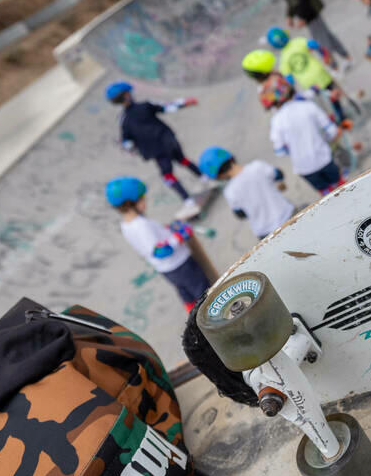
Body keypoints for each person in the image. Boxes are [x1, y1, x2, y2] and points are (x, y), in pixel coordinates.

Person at [105, 177, 211, 310]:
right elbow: (160, 251)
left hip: (166, 270)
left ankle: (195, 322)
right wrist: (179, 236)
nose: (145, 201)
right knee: (203, 292)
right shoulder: (141, 225)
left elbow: (149, 242)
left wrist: (168, 229)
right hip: (180, 264)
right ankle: (215, 318)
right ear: (130, 203)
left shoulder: (126, 225)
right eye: (142, 198)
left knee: (186, 294)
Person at [106, 81, 208, 216]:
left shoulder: (123, 120)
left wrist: (131, 149)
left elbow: (127, 142)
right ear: (127, 96)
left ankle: (188, 200)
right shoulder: (145, 105)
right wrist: (185, 103)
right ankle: (204, 178)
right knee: (182, 160)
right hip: (168, 140)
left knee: (167, 175)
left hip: (156, 150)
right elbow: (167, 107)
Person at [260, 73, 345, 196]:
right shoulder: (308, 106)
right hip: (323, 159)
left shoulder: (276, 121)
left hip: (304, 168)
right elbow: (332, 132)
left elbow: (280, 152)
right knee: (342, 187)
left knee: (327, 195)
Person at [199, 146, 295, 240]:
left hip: (265, 231)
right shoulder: (257, 166)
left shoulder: (230, 192)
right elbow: (279, 175)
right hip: (287, 214)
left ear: (218, 176)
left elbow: (240, 214)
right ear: (230, 157)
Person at [264, 26, 351, 127]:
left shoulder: (283, 60)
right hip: (320, 74)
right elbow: (314, 45)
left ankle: (331, 123)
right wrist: (324, 55)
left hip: (309, 84)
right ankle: (342, 117)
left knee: (321, 104)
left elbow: (290, 80)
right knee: (333, 96)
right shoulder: (298, 41)